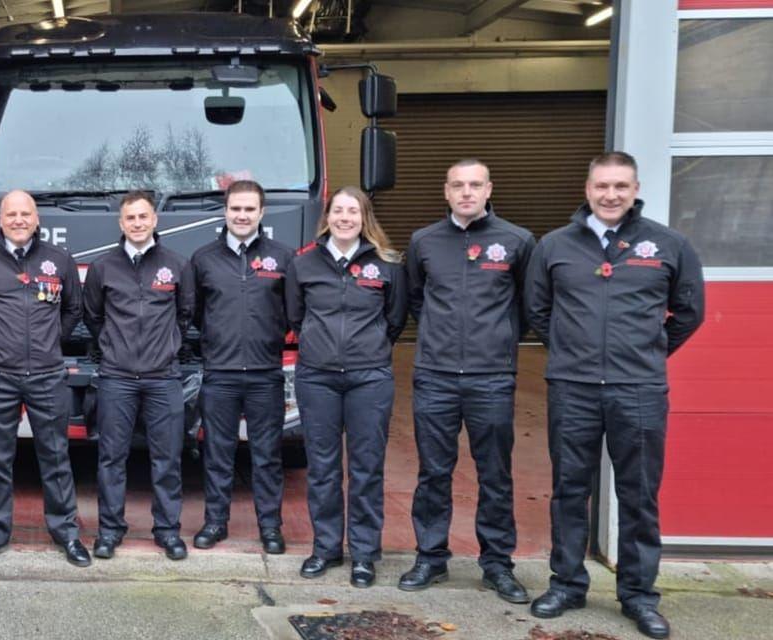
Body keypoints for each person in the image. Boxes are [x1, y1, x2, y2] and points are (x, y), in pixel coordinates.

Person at [525, 152, 704, 640]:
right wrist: (570, 350)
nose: (610, 195)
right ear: (587, 189)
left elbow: (689, 312)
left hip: (639, 390)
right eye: (602, 186)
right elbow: (537, 309)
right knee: (569, 490)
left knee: (639, 495)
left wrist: (647, 352)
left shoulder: (668, 244)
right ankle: (566, 584)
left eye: (620, 186)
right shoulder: (555, 246)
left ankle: (639, 596)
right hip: (573, 389)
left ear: (635, 188)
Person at [399, 160, 534, 603]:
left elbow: (529, 306)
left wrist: (498, 342)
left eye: (475, 185)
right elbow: (417, 299)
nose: (466, 192)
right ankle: (431, 558)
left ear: (489, 188)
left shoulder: (516, 241)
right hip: (435, 377)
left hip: (491, 377)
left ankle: (497, 564)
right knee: (433, 472)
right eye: (458, 185)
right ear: (446, 191)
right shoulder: (423, 242)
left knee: (495, 474)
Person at [0, 189, 90, 568]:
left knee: (56, 457)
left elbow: (73, 311)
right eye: (11, 214)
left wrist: (48, 343)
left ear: (36, 219)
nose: (18, 220)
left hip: (48, 376)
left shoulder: (59, 260)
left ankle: (67, 534)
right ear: (1, 220)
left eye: (25, 214)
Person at [284, 186, 406, 588]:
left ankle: (365, 555)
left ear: (364, 218)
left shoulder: (387, 264)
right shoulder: (304, 264)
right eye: (338, 211)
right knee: (322, 467)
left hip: (369, 377)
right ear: (328, 217)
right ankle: (326, 549)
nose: (345, 218)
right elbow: (295, 316)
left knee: (366, 468)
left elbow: (395, 320)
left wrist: (366, 349)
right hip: (317, 377)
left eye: (353, 211)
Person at [81, 191, 195, 561]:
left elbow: (185, 313)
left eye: (144, 216)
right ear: (121, 223)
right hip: (116, 378)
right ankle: (110, 531)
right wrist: (114, 349)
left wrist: (165, 349)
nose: (138, 223)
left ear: (155, 220)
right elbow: (93, 317)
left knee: (167, 459)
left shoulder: (177, 265)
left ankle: (167, 531)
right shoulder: (103, 268)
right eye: (130, 218)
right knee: (111, 458)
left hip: (164, 378)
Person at [188, 180, 293, 555]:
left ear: (261, 213)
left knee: (267, 455)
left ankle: (270, 527)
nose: (242, 215)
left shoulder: (284, 257)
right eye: (236, 209)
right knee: (218, 453)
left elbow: (294, 310)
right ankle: (216, 522)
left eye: (250, 209)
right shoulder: (203, 259)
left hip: (266, 374)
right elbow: (196, 311)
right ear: (225, 212)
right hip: (221, 374)